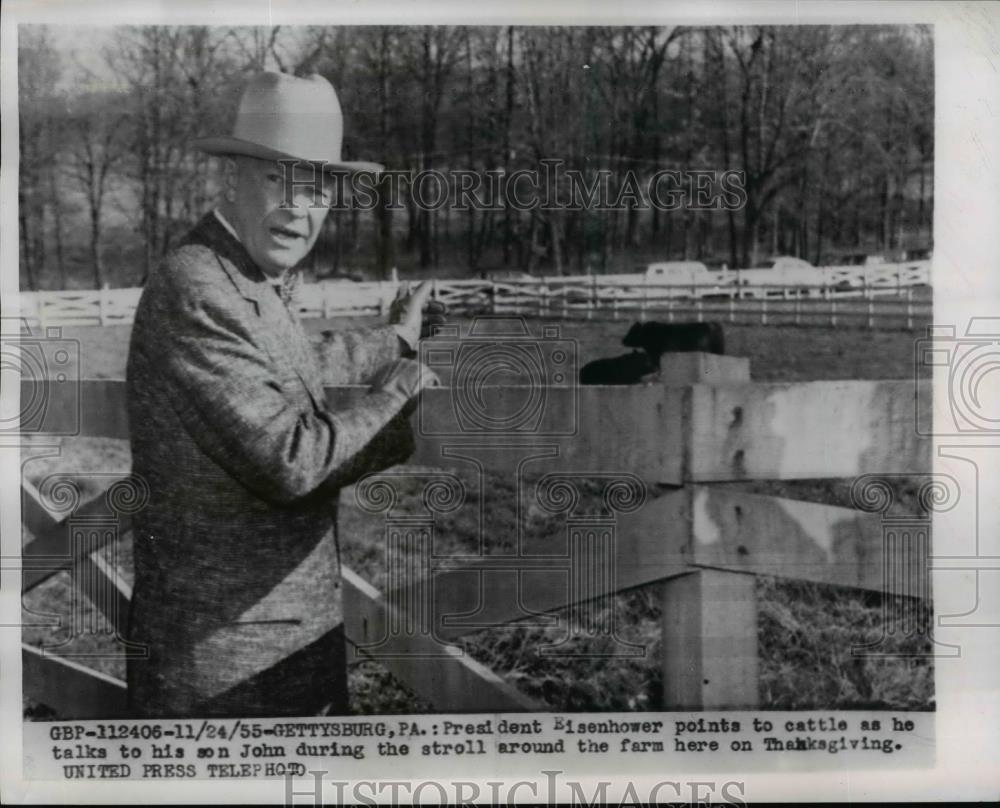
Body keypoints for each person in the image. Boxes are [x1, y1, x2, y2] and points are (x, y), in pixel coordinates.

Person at [125, 71, 440, 717]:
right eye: (278, 179)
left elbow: (289, 366)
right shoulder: (197, 286)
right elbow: (289, 461)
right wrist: (396, 398)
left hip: (276, 649)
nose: (300, 206)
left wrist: (394, 340)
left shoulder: (241, 275)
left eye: (319, 185)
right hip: (226, 673)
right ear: (232, 177)